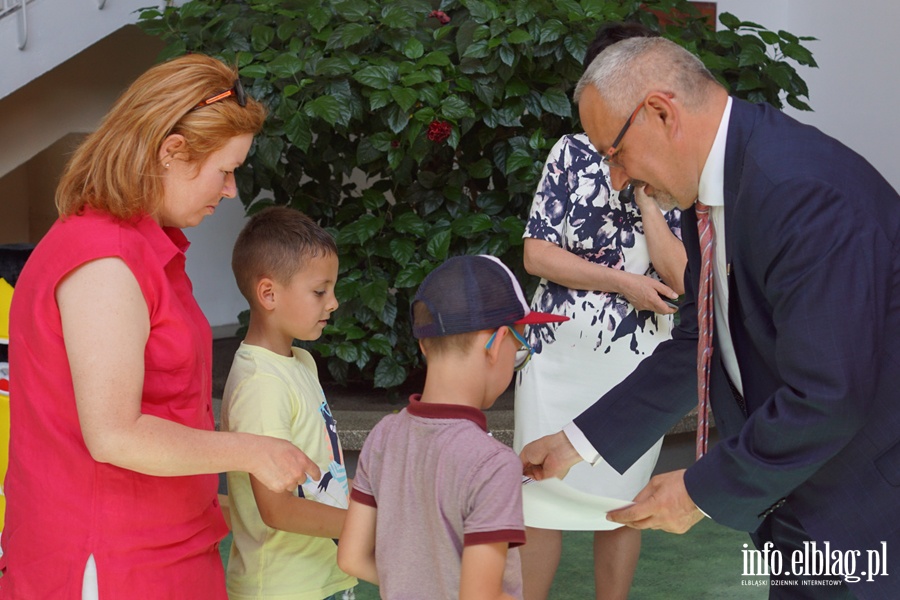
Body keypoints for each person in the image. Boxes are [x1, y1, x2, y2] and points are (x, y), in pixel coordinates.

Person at [520, 36, 900, 599]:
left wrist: (698, 492)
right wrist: (578, 442)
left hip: (869, 510)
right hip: (801, 504)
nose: (617, 180)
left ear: (660, 112)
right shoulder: (717, 190)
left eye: (615, 154)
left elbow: (829, 394)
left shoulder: (801, 192)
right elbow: (699, 346)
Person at [0, 54, 320, 599]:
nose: (230, 192)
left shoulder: (139, 246)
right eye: (225, 171)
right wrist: (253, 449)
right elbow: (115, 434)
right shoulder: (103, 258)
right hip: (111, 557)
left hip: (162, 544)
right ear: (172, 152)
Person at [513, 22, 685, 600]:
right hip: (556, 357)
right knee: (537, 498)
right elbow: (537, 253)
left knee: (623, 500)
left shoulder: (672, 167)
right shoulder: (570, 152)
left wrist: (641, 187)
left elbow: (681, 277)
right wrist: (621, 283)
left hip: (635, 365)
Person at [338, 254, 568, 600]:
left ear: (423, 345)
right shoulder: (493, 464)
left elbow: (351, 557)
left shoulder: (384, 434)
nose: (517, 358)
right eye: (519, 348)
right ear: (496, 343)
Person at [221, 206, 357, 600]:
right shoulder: (261, 383)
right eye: (319, 291)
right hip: (285, 588)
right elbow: (275, 509)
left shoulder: (301, 362)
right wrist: (365, 526)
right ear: (268, 294)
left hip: (324, 575)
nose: (332, 303)